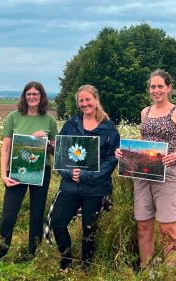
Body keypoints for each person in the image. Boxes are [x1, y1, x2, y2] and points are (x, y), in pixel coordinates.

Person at [115, 69, 176, 268]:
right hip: (143, 173)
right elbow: (144, 144)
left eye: (160, 86)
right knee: (143, 225)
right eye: (152, 86)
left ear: (168, 88)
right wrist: (126, 154)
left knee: (167, 228)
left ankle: (170, 272)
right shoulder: (145, 112)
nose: (156, 90)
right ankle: (146, 269)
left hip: (168, 173)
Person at [48, 85, 120, 271]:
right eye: (81, 100)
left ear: (96, 100)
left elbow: (112, 160)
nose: (85, 103)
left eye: (88, 99)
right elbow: (61, 153)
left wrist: (87, 175)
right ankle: (66, 263)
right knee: (57, 222)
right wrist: (68, 173)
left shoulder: (109, 129)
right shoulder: (71, 125)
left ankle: (87, 267)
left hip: (96, 188)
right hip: (70, 186)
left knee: (90, 229)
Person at [0, 81, 58, 259]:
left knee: (36, 214)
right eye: (29, 94)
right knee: (9, 214)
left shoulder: (49, 120)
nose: (32, 97)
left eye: (35, 94)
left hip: (41, 171)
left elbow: (55, 151)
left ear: (41, 97)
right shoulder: (13, 117)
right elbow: (6, 148)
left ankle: (33, 254)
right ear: (24, 96)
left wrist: (46, 141)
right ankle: (1, 253)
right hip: (17, 171)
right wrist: (3, 174)